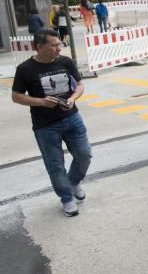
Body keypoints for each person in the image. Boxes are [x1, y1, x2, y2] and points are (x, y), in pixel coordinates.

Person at [11, 28, 92, 216]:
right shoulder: (25, 69)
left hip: (72, 117)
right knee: (55, 164)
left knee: (84, 154)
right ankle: (67, 198)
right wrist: (40, 102)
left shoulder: (66, 62)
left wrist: (73, 98)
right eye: (54, 45)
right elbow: (16, 96)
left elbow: (79, 85)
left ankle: (73, 182)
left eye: (59, 44)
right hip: (46, 125)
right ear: (39, 47)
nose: (59, 48)